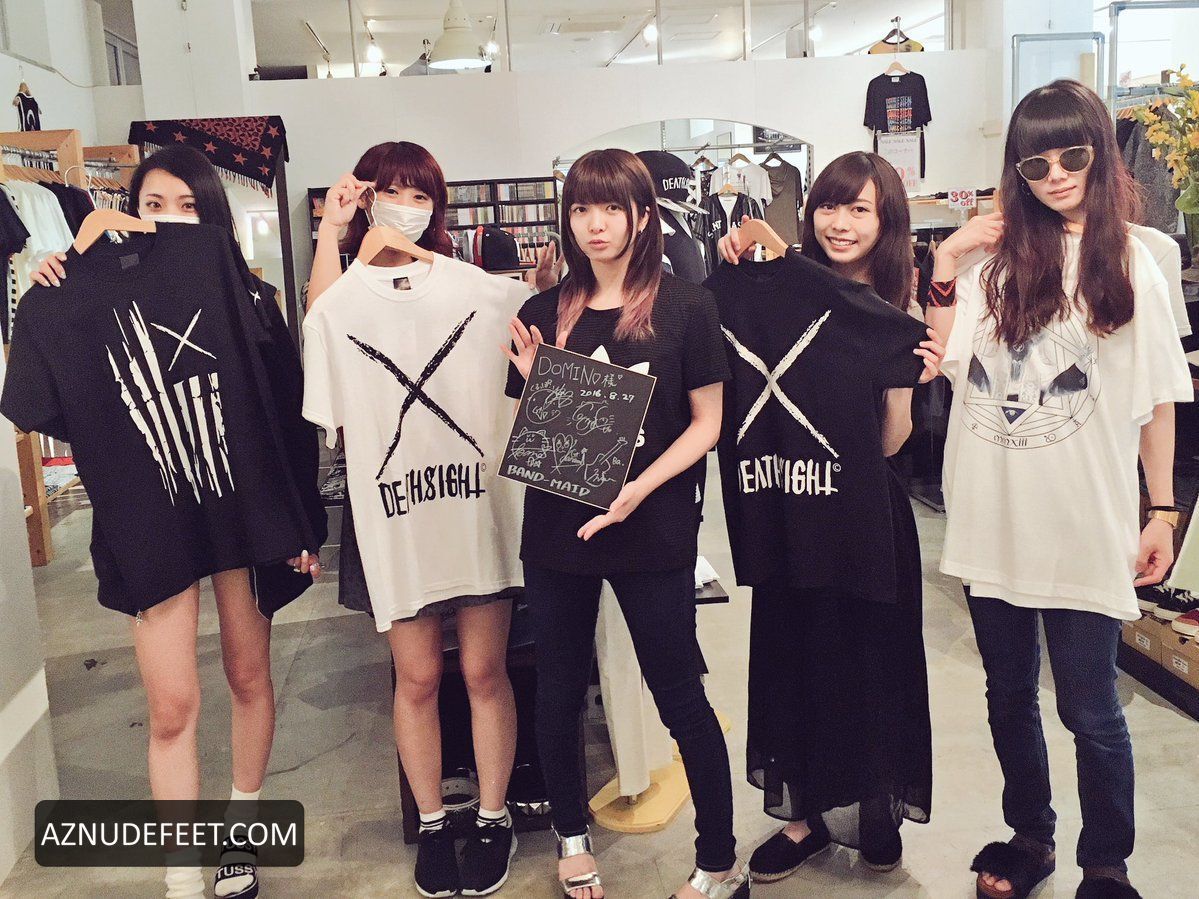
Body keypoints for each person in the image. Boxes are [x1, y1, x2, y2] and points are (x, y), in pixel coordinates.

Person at [27, 145, 326, 899]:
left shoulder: (247, 297)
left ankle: (242, 832)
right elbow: (42, 404)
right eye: (151, 206)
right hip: (150, 524)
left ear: (212, 215)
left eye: (186, 207)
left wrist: (301, 527)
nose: (165, 222)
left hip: (242, 515)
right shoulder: (70, 294)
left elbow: (289, 419)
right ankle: (182, 872)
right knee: (170, 706)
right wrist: (58, 282)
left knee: (249, 675)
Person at [925, 80, 1189, 899]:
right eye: (1033, 163)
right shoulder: (992, 260)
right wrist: (944, 260)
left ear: (1100, 152)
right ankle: (1029, 835)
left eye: (1071, 155)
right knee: (1007, 695)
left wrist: (1161, 509)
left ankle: (1105, 861)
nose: (1055, 175)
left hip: (1082, 519)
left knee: (1089, 708)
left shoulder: (1134, 260)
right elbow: (940, 360)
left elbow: (1156, 399)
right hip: (991, 517)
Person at [304, 141, 558, 899]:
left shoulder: (485, 294)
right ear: (367, 197)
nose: (407, 207)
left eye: (421, 195)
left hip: (476, 511)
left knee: (484, 670)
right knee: (416, 676)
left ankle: (491, 815)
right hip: (397, 518)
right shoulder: (338, 308)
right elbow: (323, 364)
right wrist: (331, 234)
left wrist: (545, 294)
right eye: (392, 191)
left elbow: (539, 369)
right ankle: (434, 821)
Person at [503, 148, 748, 899]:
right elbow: (538, 435)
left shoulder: (687, 306)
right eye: (580, 208)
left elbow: (707, 422)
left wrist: (638, 489)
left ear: (643, 216)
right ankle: (572, 839)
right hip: (557, 528)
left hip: (653, 524)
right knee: (557, 691)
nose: (595, 224)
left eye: (611, 207)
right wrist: (536, 384)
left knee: (678, 692)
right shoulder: (542, 312)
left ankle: (718, 859)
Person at [714, 152, 941, 882]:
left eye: (859, 209)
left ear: (887, 220)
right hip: (785, 509)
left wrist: (905, 378)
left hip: (866, 519)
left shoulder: (895, 311)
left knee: (871, 665)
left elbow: (890, 444)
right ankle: (805, 815)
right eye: (829, 207)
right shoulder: (778, 291)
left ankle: (876, 807)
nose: (840, 224)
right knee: (795, 659)